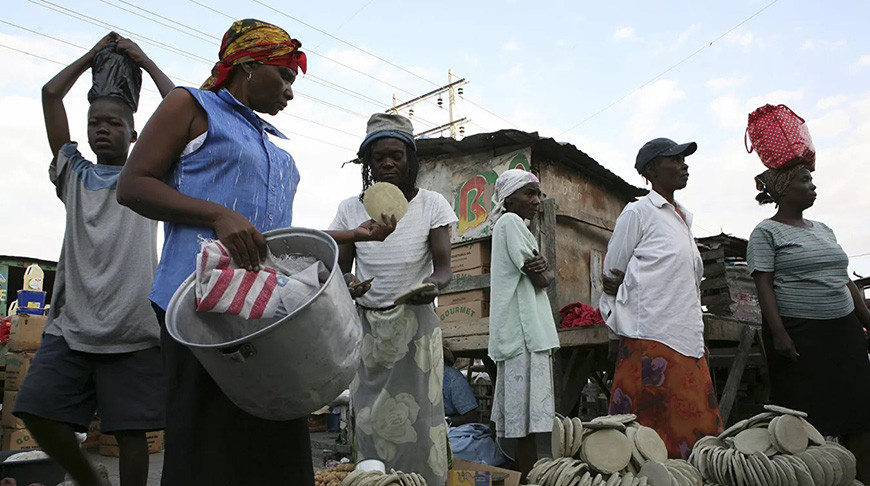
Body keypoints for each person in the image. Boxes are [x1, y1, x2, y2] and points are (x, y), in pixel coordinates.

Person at [116, 20, 391, 485]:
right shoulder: (190, 105)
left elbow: (271, 237)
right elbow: (133, 185)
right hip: (200, 308)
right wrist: (217, 215)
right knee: (204, 445)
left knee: (276, 438)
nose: (289, 91)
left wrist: (350, 237)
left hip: (265, 311)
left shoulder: (277, 151)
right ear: (246, 65)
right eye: (284, 77)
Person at [13, 33, 173, 486]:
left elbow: (181, 114)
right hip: (73, 327)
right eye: (94, 123)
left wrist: (144, 58)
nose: (101, 129)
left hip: (134, 330)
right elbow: (50, 94)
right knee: (36, 412)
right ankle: (91, 481)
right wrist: (89, 57)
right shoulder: (73, 175)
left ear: (135, 133)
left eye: (114, 123)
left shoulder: (147, 179)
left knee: (131, 435)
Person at [329, 113, 456, 486]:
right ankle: (374, 481)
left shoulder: (432, 204)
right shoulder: (351, 209)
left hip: (416, 325)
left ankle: (426, 480)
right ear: (367, 162)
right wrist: (350, 282)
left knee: (421, 415)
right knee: (370, 414)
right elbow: (343, 268)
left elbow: (444, 268)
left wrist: (433, 285)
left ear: (410, 159)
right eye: (378, 156)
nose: (387, 162)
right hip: (368, 326)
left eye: (396, 155)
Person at [599, 138, 722, 460]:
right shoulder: (639, 212)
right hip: (650, 337)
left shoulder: (681, 218)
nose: (684, 165)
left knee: (693, 431)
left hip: (686, 338)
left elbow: (688, 286)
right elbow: (612, 273)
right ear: (652, 169)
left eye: (684, 159)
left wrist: (698, 332)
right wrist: (620, 324)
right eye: (675, 159)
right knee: (646, 439)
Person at [747, 161, 870, 481]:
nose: (813, 185)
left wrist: (866, 318)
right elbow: (764, 285)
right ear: (784, 190)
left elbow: (844, 279)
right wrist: (779, 333)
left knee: (860, 414)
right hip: (801, 333)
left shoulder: (824, 229)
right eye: (805, 180)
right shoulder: (766, 232)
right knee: (803, 420)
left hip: (844, 331)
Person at [487, 169, 559, 480]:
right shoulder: (511, 223)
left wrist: (547, 271)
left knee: (524, 422)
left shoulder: (514, 227)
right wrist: (549, 272)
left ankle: (526, 476)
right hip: (524, 333)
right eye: (529, 193)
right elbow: (542, 277)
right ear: (509, 198)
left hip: (522, 333)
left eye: (538, 194)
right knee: (526, 424)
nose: (536, 200)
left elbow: (541, 274)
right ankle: (529, 477)